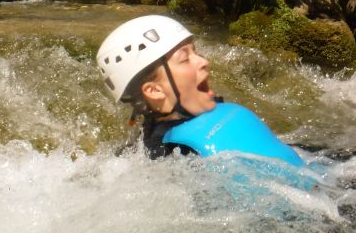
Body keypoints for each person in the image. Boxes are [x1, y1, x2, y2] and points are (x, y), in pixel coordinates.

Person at [96, 15, 304, 166]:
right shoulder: (170, 156)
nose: (204, 62)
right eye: (185, 58)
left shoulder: (208, 120)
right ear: (155, 90)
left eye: (197, 52)